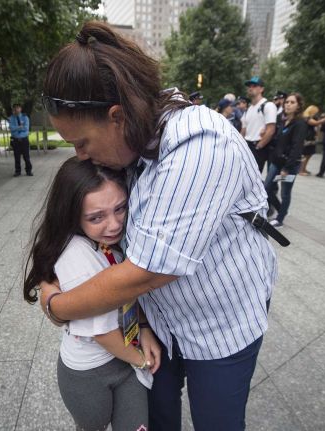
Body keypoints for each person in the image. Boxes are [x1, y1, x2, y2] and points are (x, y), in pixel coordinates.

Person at [37, 21, 277, 431]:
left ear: (116, 117)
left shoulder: (200, 144)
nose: (79, 156)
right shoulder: (132, 137)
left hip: (220, 325)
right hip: (157, 324)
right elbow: (75, 230)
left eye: (81, 142)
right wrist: (47, 275)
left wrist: (58, 306)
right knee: (157, 420)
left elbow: (147, 270)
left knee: (217, 422)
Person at [24, 157, 161, 431]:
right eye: (96, 217)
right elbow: (102, 333)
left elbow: (128, 294)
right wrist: (141, 361)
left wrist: (143, 328)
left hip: (125, 356)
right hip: (89, 373)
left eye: (120, 208)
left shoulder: (106, 241)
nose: (113, 225)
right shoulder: (77, 257)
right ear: (71, 214)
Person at [264, 93, 308, 227]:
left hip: (288, 166)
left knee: (285, 192)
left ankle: (280, 218)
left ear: (299, 106)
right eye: (287, 102)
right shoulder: (282, 120)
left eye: (292, 102)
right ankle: (282, 210)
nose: (288, 104)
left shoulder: (300, 124)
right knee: (266, 189)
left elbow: (296, 147)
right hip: (276, 163)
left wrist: (287, 168)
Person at [242, 76, 277, 173]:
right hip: (247, 145)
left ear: (261, 89)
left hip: (257, 147)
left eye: (254, 86)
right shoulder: (249, 108)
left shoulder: (268, 105)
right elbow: (244, 130)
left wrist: (258, 147)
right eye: (249, 86)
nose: (250, 88)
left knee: (253, 178)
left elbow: (271, 130)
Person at [8, 103, 33, 177]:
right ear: (13, 109)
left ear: (20, 109)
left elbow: (26, 128)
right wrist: (19, 127)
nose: (16, 109)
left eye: (18, 108)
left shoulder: (25, 117)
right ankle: (17, 171)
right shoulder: (11, 118)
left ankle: (29, 171)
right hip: (15, 140)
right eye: (15, 108)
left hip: (24, 140)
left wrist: (16, 128)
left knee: (26, 157)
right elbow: (11, 128)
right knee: (17, 157)